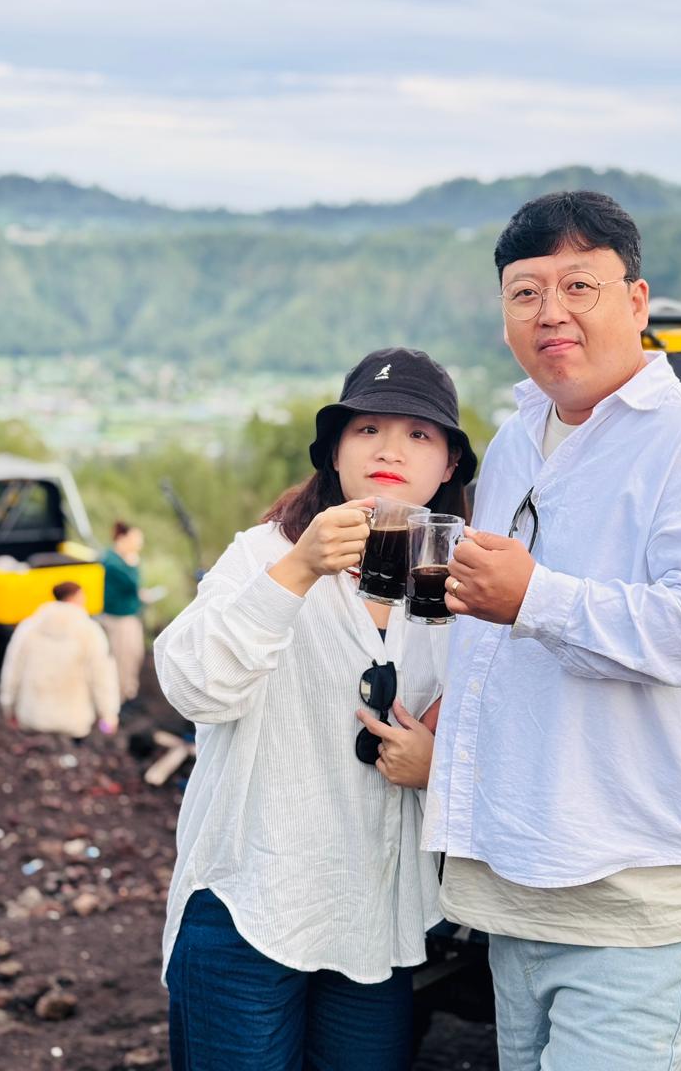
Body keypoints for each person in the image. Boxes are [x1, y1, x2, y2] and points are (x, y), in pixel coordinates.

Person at [424, 192, 681, 1071]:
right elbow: (500, 625)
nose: (551, 313)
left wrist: (536, 597)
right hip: (524, 872)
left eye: (579, 285)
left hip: (638, 885)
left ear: (636, 299)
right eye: (525, 292)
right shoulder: (516, 441)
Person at [154, 347, 476, 1071]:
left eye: (419, 435)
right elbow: (191, 686)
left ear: (450, 464)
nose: (391, 448)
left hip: (373, 917)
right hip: (249, 903)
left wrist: (439, 766)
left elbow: (493, 721)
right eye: (367, 429)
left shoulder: (455, 585)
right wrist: (297, 570)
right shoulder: (264, 553)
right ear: (335, 450)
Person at [0, 581, 120, 739]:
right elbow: (101, 676)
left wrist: (9, 708)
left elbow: (12, 670)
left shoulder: (28, 627)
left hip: (32, 717)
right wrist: (108, 715)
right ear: (74, 598)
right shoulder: (90, 631)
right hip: (74, 721)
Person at [100, 520, 147, 704]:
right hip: (118, 620)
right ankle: (118, 701)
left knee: (134, 655)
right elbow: (132, 583)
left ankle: (127, 694)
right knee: (122, 660)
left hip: (129, 617)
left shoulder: (120, 559)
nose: (139, 544)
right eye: (136, 539)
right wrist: (133, 563)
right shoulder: (113, 562)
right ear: (123, 538)